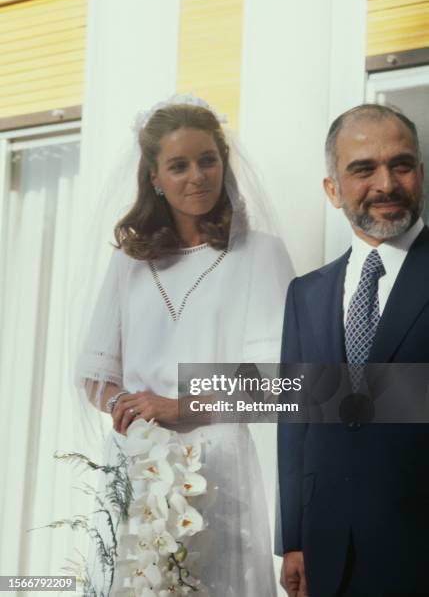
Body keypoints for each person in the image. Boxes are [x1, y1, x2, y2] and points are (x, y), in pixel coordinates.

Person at [75, 95, 293, 596]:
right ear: (154, 177)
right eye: (179, 165)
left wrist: (178, 405)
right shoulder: (128, 264)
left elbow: (278, 380)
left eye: (208, 160)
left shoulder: (260, 254)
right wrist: (129, 410)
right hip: (139, 462)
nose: (197, 176)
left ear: (224, 164)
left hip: (219, 465)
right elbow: (95, 375)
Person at [277, 104, 429, 597]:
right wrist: (294, 541)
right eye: (363, 169)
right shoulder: (306, 294)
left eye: (401, 165)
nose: (386, 183)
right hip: (329, 554)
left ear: (421, 173)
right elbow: (294, 421)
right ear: (332, 189)